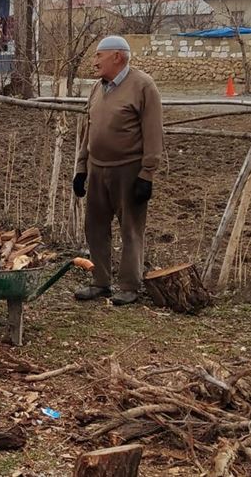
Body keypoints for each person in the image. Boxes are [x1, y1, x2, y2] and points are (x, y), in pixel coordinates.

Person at [72, 36, 163, 306]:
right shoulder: (97, 88)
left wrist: (147, 173)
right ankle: (100, 281)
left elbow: (153, 132)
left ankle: (129, 285)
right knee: (95, 227)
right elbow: (88, 129)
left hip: (129, 169)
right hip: (98, 168)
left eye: (100, 55)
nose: (95, 60)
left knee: (130, 228)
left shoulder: (143, 86)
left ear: (118, 57)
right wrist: (81, 167)